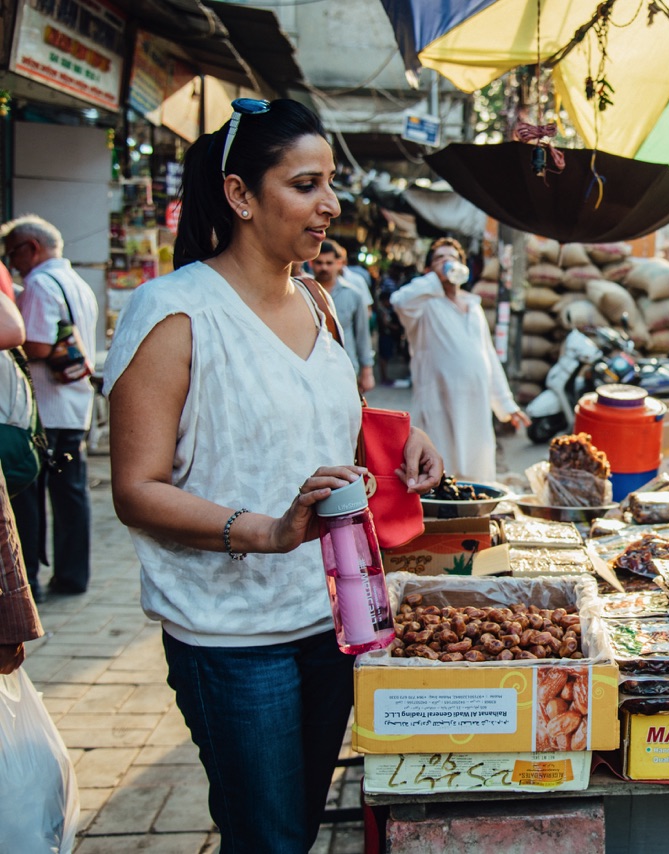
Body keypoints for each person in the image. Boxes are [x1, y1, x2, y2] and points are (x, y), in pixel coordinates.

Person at [103, 98, 443, 853]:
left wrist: (403, 437)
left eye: (329, 185)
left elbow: (331, 415)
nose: (330, 205)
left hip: (332, 622)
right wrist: (267, 530)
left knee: (294, 825)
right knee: (270, 839)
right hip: (232, 637)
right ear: (239, 195)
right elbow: (136, 488)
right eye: (305, 184)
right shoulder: (175, 312)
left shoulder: (318, 301)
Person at [0, 215, 98, 598]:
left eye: (13, 255)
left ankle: (33, 582)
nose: (13, 265)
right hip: (74, 405)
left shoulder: (40, 284)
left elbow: (36, 343)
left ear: (32, 248)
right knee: (72, 496)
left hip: (47, 408)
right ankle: (73, 577)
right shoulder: (77, 282)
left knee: (31, 498)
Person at [392, 237, 530, 482]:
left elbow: (487, 356)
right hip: (439, 400)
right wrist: (436, 278)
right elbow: (399, 301)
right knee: (442, 466)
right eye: (439, 258)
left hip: (476, 403)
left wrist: (507, 405)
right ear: (428, 270)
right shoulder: (423, 306)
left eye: (453, 258)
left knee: (478, 467)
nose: (447, 262)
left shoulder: (473, 306)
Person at [312, 241, 375, 391]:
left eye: (329, 263)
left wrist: (367, 371)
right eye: (319, 263)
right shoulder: (301, 292)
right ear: (311, 263)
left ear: (339, 263)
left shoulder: (354, 294)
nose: (324, 267)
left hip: (346, 367)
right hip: (313, 368)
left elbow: (362, 334)